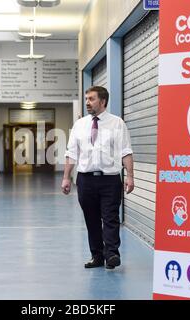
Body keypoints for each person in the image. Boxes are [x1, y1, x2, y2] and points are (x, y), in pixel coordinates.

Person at [61, 86, 134, 269]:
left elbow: (126, 151)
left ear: (103, 101)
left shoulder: (117, 123)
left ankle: (111, 255)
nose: (87, 102)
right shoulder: (80, 125)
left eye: (91, 99)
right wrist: (66, 178)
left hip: (110, 179)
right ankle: (97, 256)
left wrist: (130, 176)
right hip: (85, 180)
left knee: (110, 218)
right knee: (91, 219)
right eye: (86, 99)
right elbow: (71, 152)